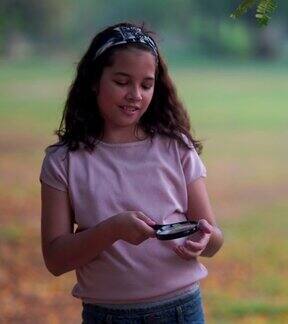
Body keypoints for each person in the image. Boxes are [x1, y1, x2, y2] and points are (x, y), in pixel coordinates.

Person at [40, 22, 223, 323]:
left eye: (146, 85)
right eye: (122, 82)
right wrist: (112, 230)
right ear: (94, 81)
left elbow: (215, 239)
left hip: (182, 310)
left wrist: (204, 240)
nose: (135, 95)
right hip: (108, 316)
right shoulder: (63, 162)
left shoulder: (176, 147)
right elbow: (56, 260)